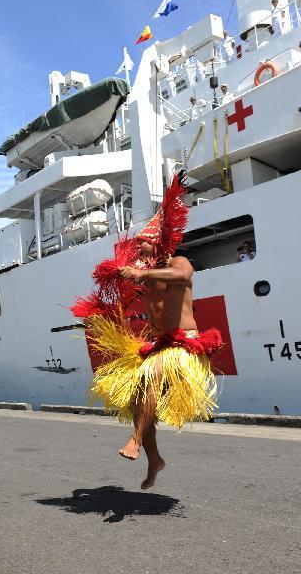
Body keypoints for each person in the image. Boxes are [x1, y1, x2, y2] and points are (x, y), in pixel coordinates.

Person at [72, 174, 220, 490]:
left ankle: (135, 441)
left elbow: (182, 276)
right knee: (139, 401)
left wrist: (141, 272)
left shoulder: (177, 263)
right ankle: (154, 459)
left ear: (160, 248)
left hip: (185, 346)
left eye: (145, 247)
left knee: (151, 375)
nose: (139, 252)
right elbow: (126, 300)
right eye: (138, 249)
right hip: (159, 345)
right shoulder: (145, 277)